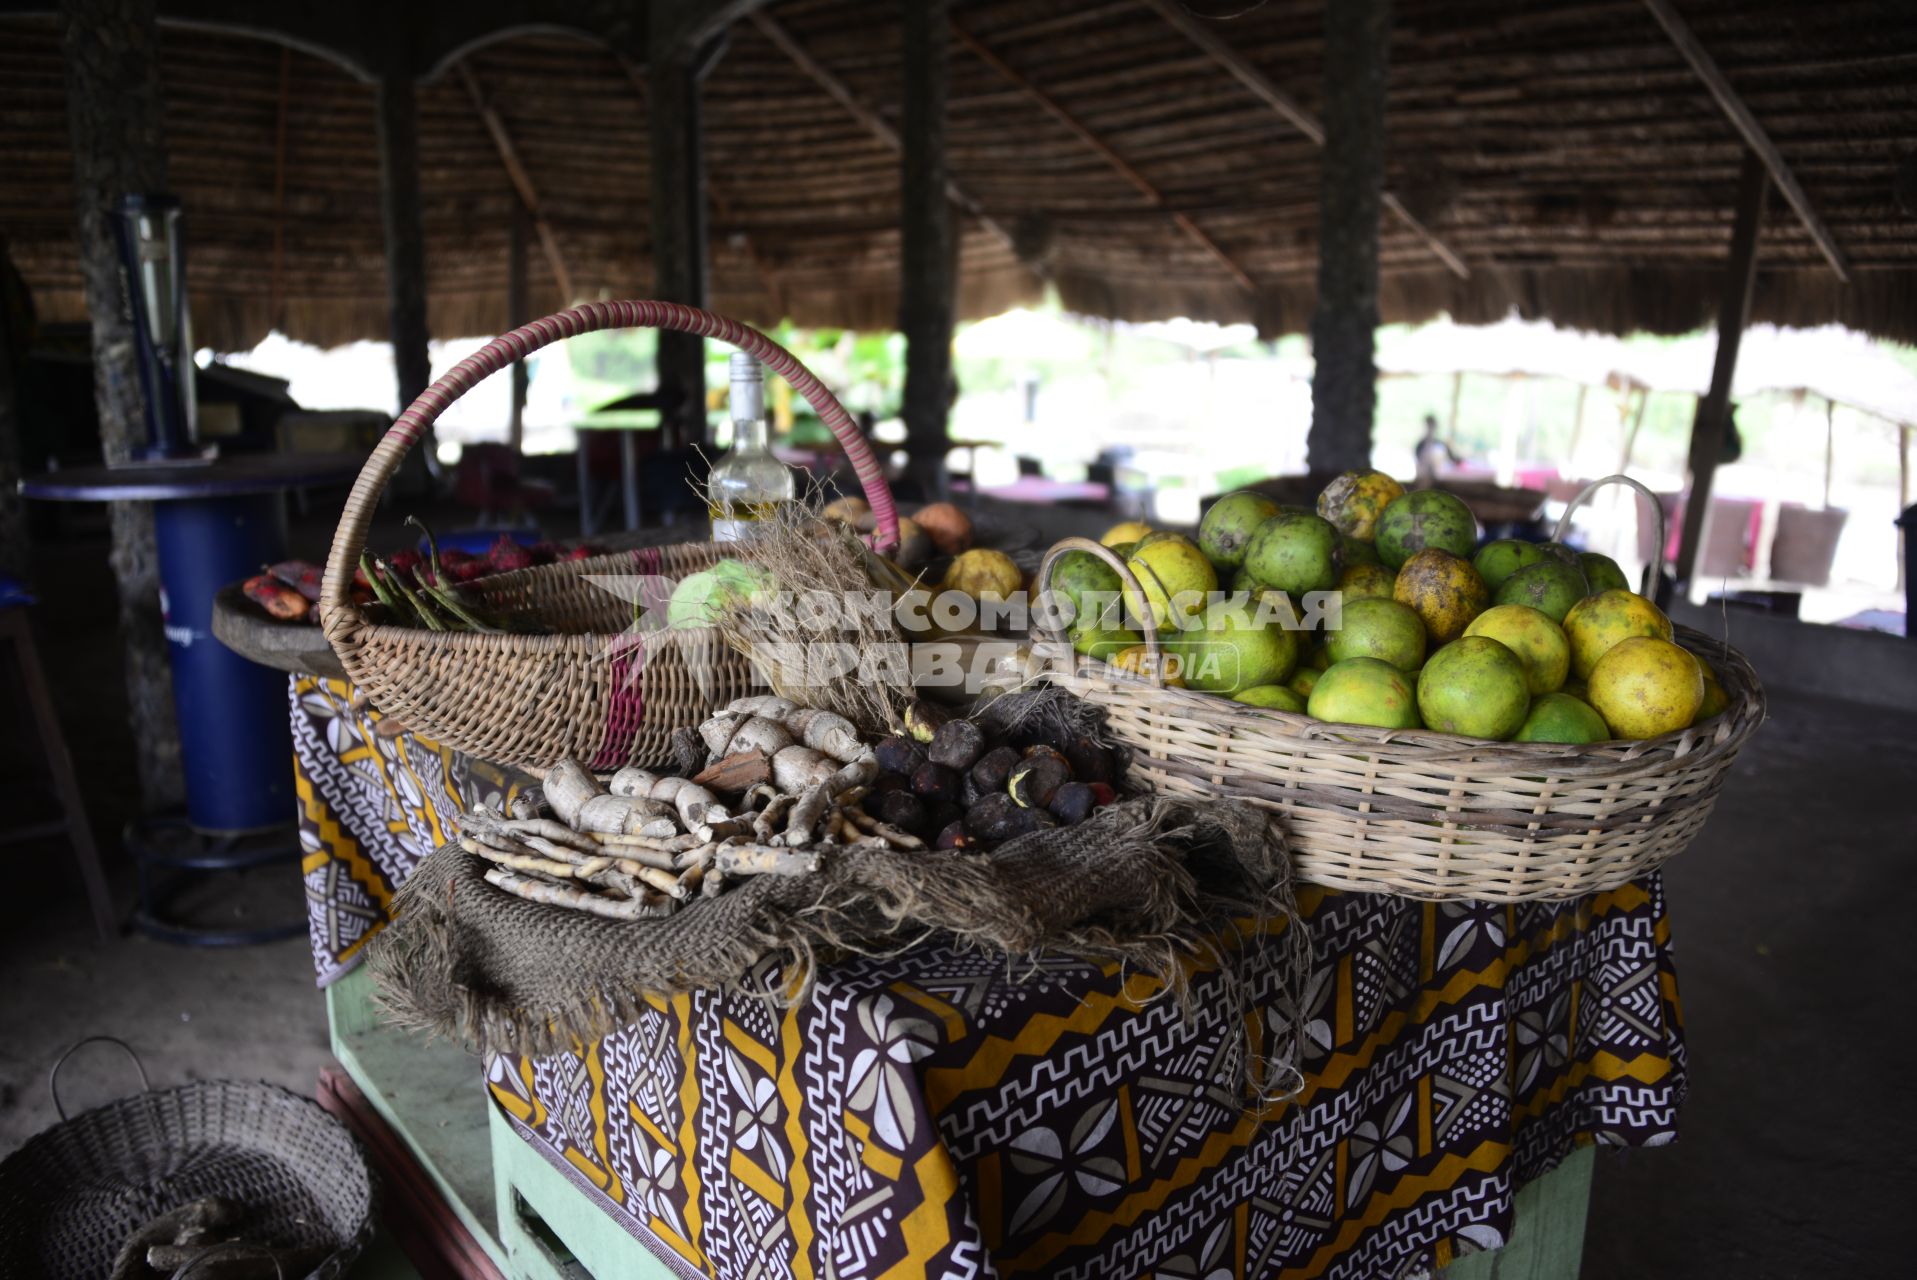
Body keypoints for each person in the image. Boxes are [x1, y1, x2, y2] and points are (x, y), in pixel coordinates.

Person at [1414, 414, 1460, 488]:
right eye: (1428, 426)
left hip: (1439, 480)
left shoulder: (1440, 445)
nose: (1430, 429)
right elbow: (1419, 464)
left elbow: (1453, 460)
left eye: (1432, 426)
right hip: (1424, 479)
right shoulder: (1420, 445)